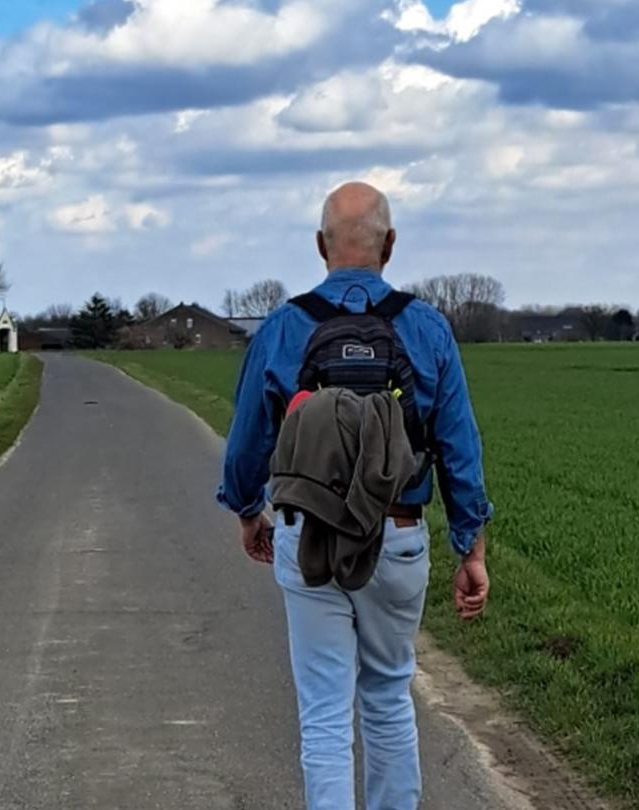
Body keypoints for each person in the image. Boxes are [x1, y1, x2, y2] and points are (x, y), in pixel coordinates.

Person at [217, 182, 493, 810]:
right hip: (395, 537)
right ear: (389, 246)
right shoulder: (426, 329)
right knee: (390, 699)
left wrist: (246, 513)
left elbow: (246, 447)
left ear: (320, 247)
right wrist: (469, 547)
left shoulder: (285, 328)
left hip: (305, 536)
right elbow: (460, 449)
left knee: (323, 714)